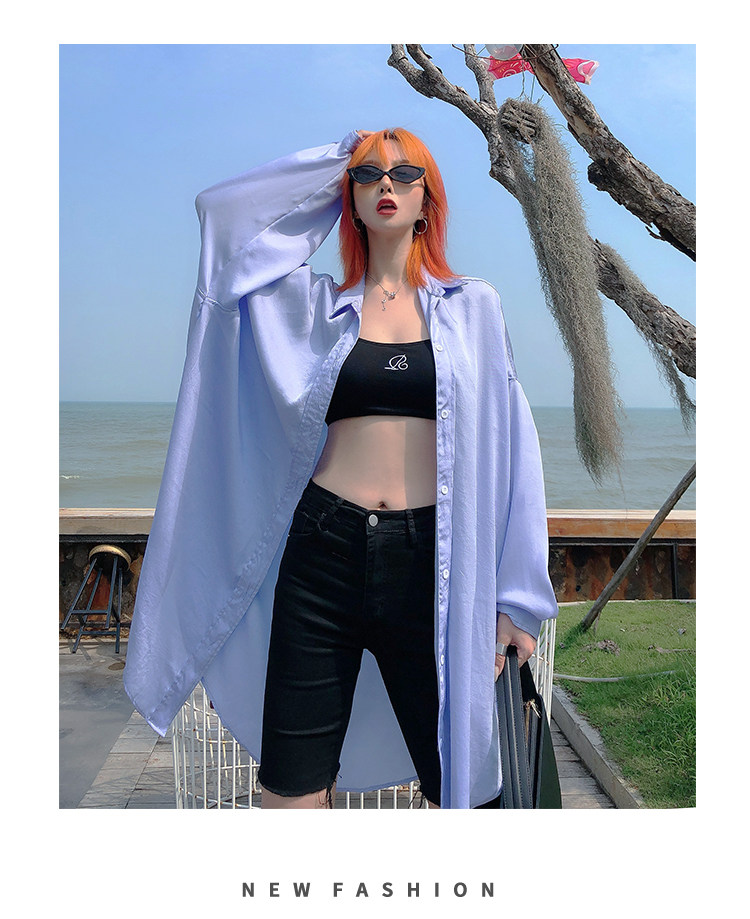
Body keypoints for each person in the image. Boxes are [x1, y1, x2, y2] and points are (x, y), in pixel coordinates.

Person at [123, 127, 559, 810]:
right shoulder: (312, 307)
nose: (387, 184)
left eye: (405, 173)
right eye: (368, 175)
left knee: (464, 788)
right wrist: (335, 160)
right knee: (290, 791)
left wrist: (519, 598)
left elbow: (516, 453)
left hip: (433, 564)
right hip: (322, 554)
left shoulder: (474, 307)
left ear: (428, 198)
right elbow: (226, 221)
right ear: (347, 198)